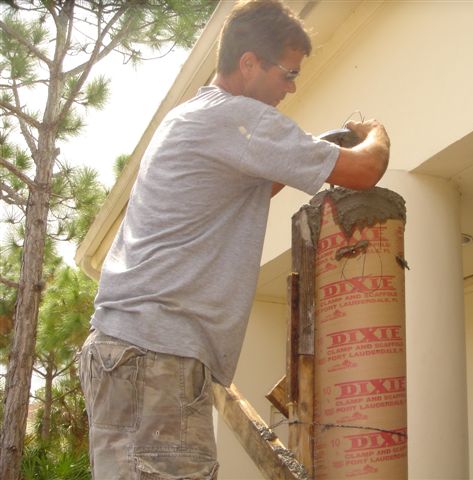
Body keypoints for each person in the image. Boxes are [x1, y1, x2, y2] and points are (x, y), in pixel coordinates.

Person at [78, 1, 390, 478]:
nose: (292, 87)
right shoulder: (240, 118)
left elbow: (254, 186)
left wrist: (306, 155)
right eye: (288, 73)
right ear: (249, 63)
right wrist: (375, 132)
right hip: (157, 355)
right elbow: (366, 169)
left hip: (125, 352)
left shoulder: (191, 116)